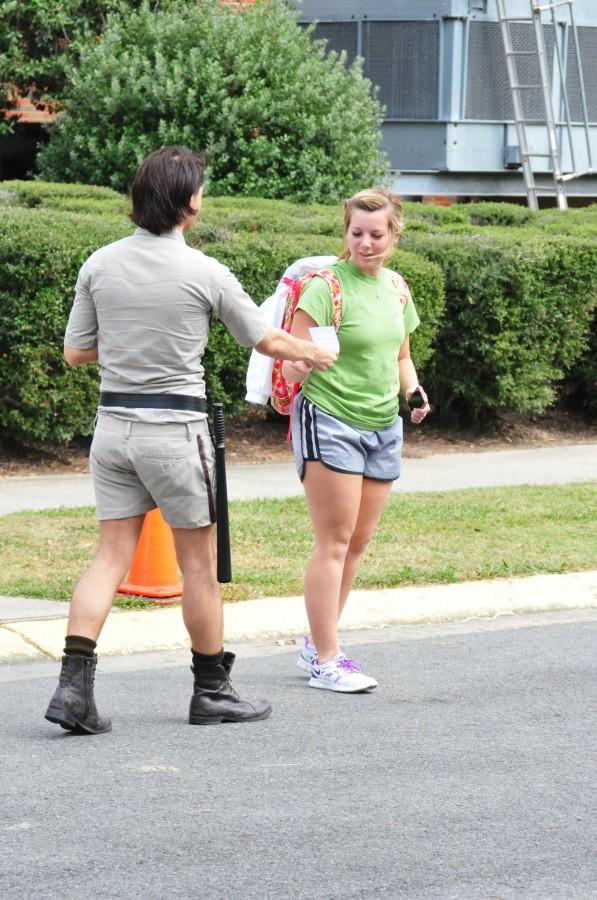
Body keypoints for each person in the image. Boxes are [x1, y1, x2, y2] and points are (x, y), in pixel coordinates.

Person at [44, 146, 337, 734]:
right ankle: (212, 691)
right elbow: (265, 339)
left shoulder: (99, 263)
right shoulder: (205, 272)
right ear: (189, 203)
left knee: (109, 557)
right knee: (198, 566)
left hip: (113, 430)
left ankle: (73, 690)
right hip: (176, 431)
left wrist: (129, 338)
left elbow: (77, 353)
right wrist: (317, 350)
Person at [282, 187, 431, 693]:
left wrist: (413, 391)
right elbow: (289, 360)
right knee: (334, 542)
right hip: (330, 418)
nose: (366, 243)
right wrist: (306, 360)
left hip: (382, 424)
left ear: (394, 234)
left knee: (358, 544)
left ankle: (318, 643)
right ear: (345, 233)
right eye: (357, 233)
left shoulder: (397, 288)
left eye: (377, 234)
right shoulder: (324, 288)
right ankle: (327, 658)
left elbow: (401, 356)